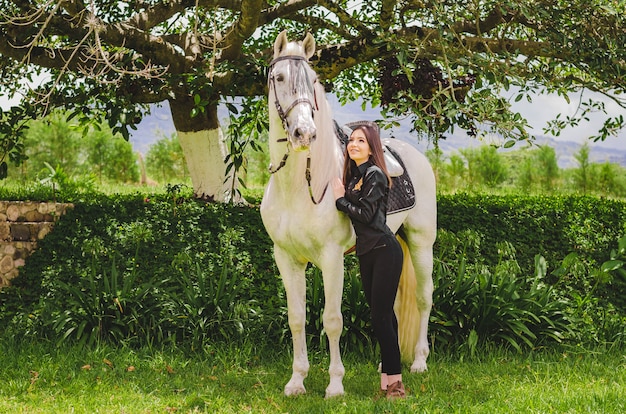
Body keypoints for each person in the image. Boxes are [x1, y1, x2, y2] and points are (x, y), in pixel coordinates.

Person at [331, 121, 406, 399]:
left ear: (371, 146)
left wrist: (340, 200)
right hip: (367, 252)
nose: (353, 144)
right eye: (351, 140)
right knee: (383, 316)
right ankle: (388, 381)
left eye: (361, 141)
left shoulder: (374, 174)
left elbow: (366, 216)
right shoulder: (355, 177)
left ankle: (396, 385)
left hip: (385, 250)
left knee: (380, 317)